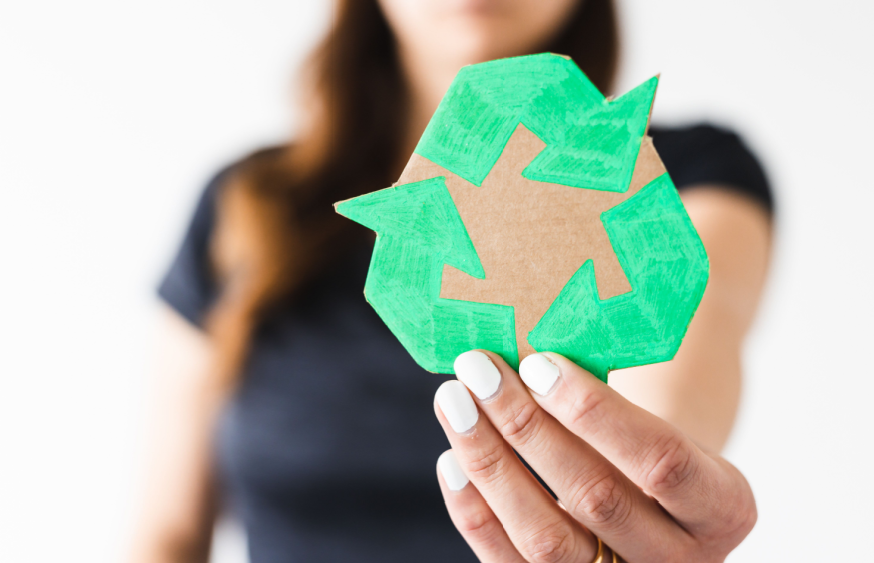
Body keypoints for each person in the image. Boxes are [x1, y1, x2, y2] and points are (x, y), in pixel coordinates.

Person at [131, 0, 773, 561]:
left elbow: (689, 359)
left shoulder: (683, 175)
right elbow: (167, 532)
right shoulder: (249, 209)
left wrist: (651, 485)